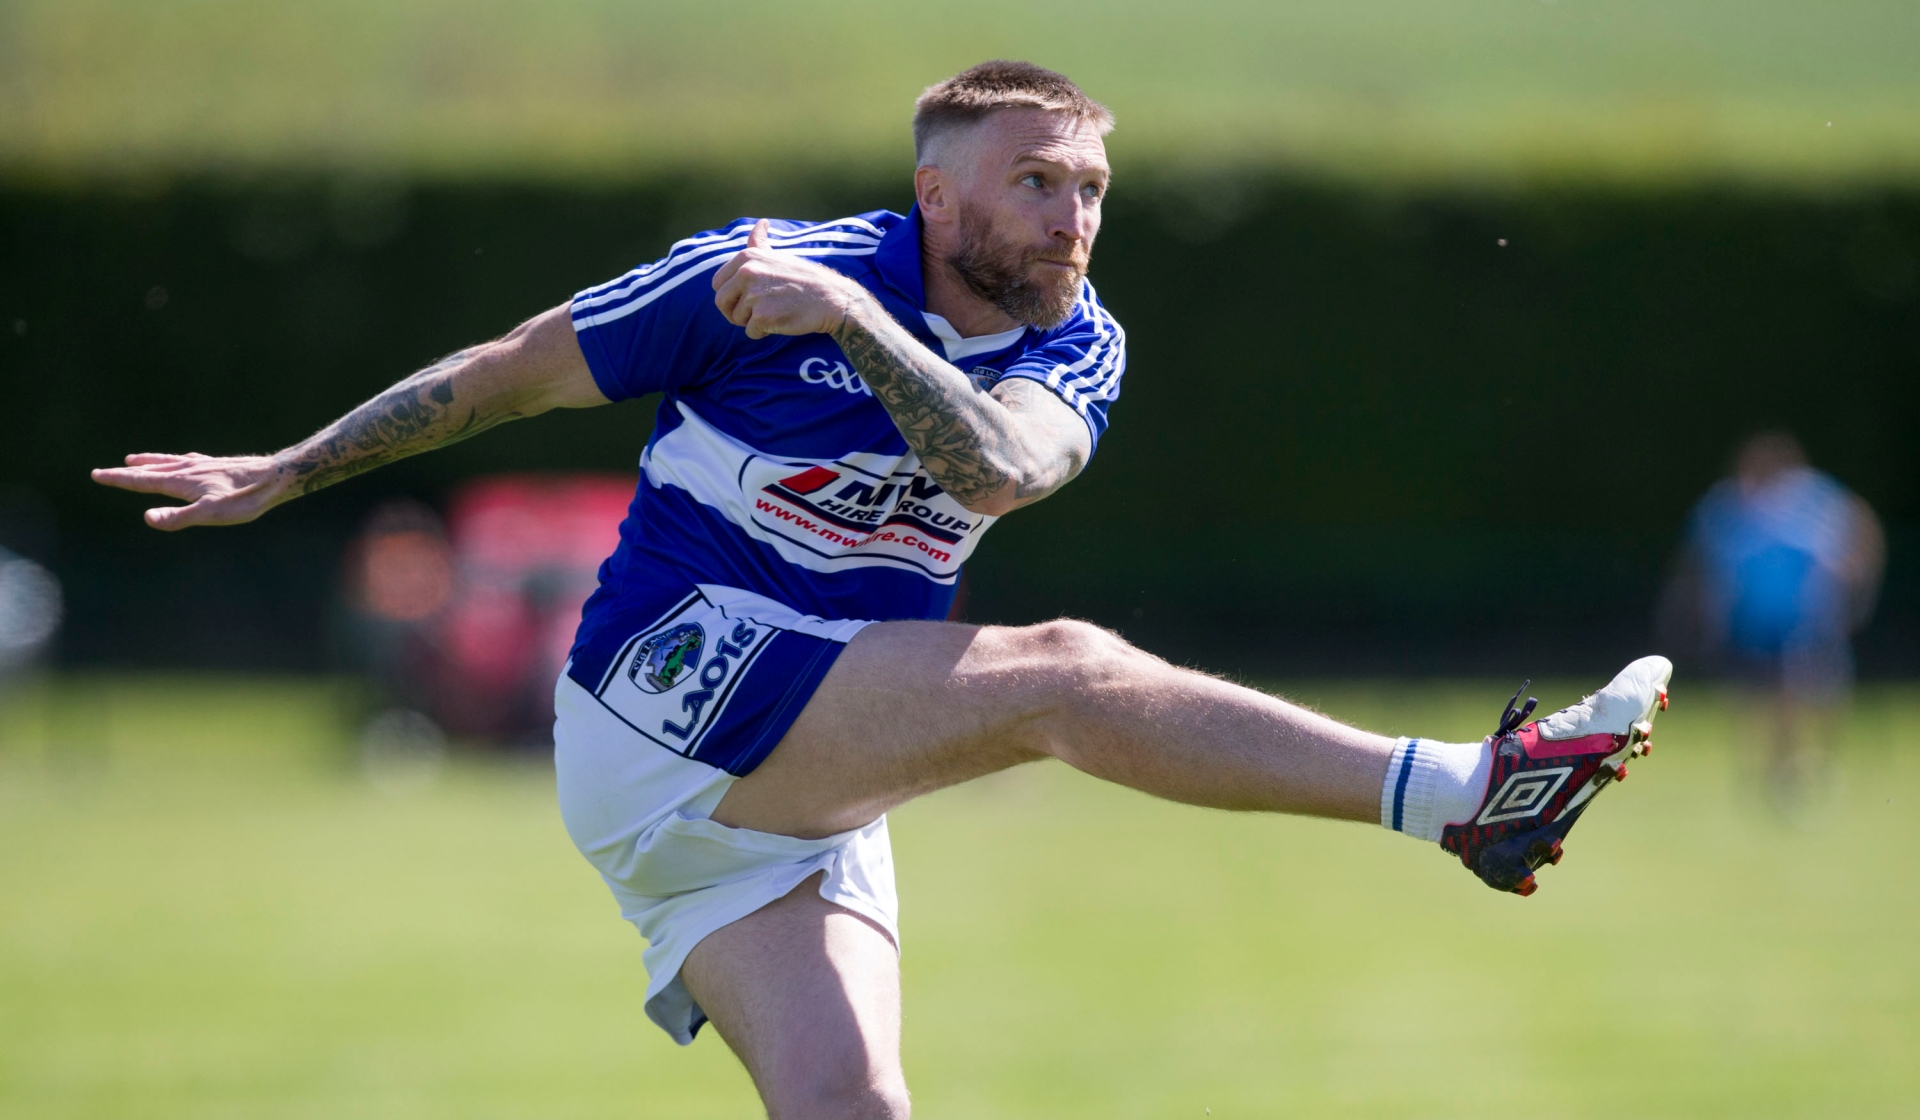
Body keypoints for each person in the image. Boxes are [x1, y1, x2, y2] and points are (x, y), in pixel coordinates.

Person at [94, 61, 1672, 1120]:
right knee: (1060, 668)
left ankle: (1473, 803)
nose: (1075, 218)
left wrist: (853, 325)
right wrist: (289, 467)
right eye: (1038, 183)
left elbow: (996, 468)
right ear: (937, 194)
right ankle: (1470, 795)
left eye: (1095, 188)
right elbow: (511, 374)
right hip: (669, 691)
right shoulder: (754, 267)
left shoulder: (1073, 340)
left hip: (795, 785)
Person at [1661, 431, 1882, 812]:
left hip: (1807, 623)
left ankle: (1809, 765)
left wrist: (1854, 587)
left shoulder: (1816, 502)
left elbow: (1858, 533)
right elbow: (1703, 563)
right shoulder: (1726, 507)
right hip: (1752, 626)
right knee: (1759, 699)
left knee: (1813, 694)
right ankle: (1774, 772)